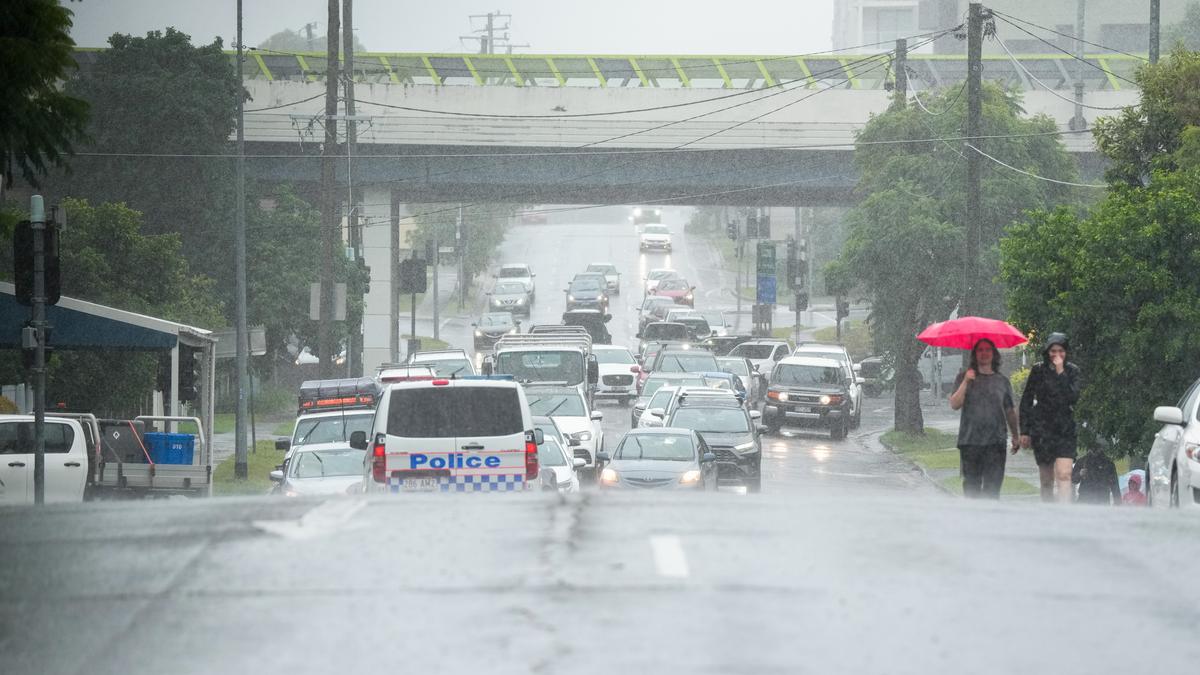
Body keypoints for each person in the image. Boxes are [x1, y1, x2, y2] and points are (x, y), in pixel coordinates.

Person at [949, 338, 1020, 499]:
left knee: (993, 488)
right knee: (972, 488)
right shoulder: (963, 377)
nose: (984, 353)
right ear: (974, 354)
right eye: (980, 350)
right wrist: (966, 381)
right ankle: (973, 522)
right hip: (970, 442)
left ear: (994, 354)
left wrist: (1015, 435)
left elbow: (1010, 411)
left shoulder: (1002, 381)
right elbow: (954, 404)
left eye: (988, 349)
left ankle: (991, 522)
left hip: (996, 442)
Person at [1018, 333, 1083, 503]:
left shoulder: (1072, 371)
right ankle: (1048, 512)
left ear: (1066, 352)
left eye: (1061, 351)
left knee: (1064, 475)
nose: (1056, 355)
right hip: (1043, 429)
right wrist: (1025, 430)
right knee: (1046, 480)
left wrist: (1061, 371)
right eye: (1053, 351)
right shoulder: (1038, 371)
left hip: (1064, 429)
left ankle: (1065, 512)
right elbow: (1026, 400)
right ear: (1047, 352)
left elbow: (1073, 397)